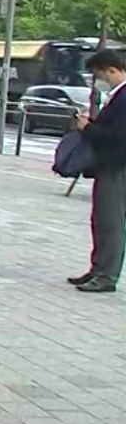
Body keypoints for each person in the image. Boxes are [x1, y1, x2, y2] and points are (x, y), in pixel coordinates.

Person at [71, 49, 126, 293]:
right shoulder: (118, 95)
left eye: (99, 75)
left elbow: (119, 137)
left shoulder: (124, 96)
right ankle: (98, 268)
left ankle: (106, 275)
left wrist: (88, 128)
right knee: (100, 220)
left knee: (111, 222)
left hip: (117, 167)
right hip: (107, 167)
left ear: (111, 70)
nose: (99, 81)